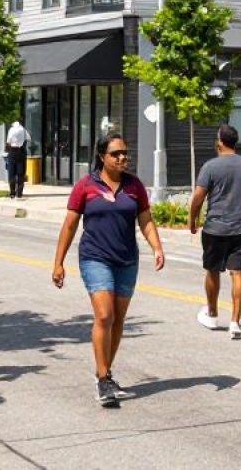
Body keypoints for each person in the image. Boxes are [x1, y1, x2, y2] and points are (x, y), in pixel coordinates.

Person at [52, 133, 164, 407]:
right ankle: (103, 380)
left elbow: (145, 220)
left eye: (125, 153)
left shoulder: (134, 185)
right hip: (95, 257)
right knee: (105, 315)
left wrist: (157, 247)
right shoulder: (86, 186)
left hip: (126, 260)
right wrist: (58, 262)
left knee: (117, 321)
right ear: (102, 156)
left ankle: (106, 373)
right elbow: (69, 225)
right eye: (116, 154)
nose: (122, 157)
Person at [190, 124, 241, 340]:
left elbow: (198, 196)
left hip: (215, 229)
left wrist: (192, 220)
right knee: (237, 273)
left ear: (219, 141)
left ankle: (211, 314)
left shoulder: (211, 166)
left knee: (212, 271)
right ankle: (235, 323)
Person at [5, 120, 30, 199]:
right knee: (21, 174)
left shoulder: (11, 130)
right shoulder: (23, 129)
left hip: (12, 151)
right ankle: (19, 193)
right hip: (21, 152)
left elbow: (8, 141)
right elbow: (28, 138)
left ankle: (12, 193)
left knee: (11, 173)